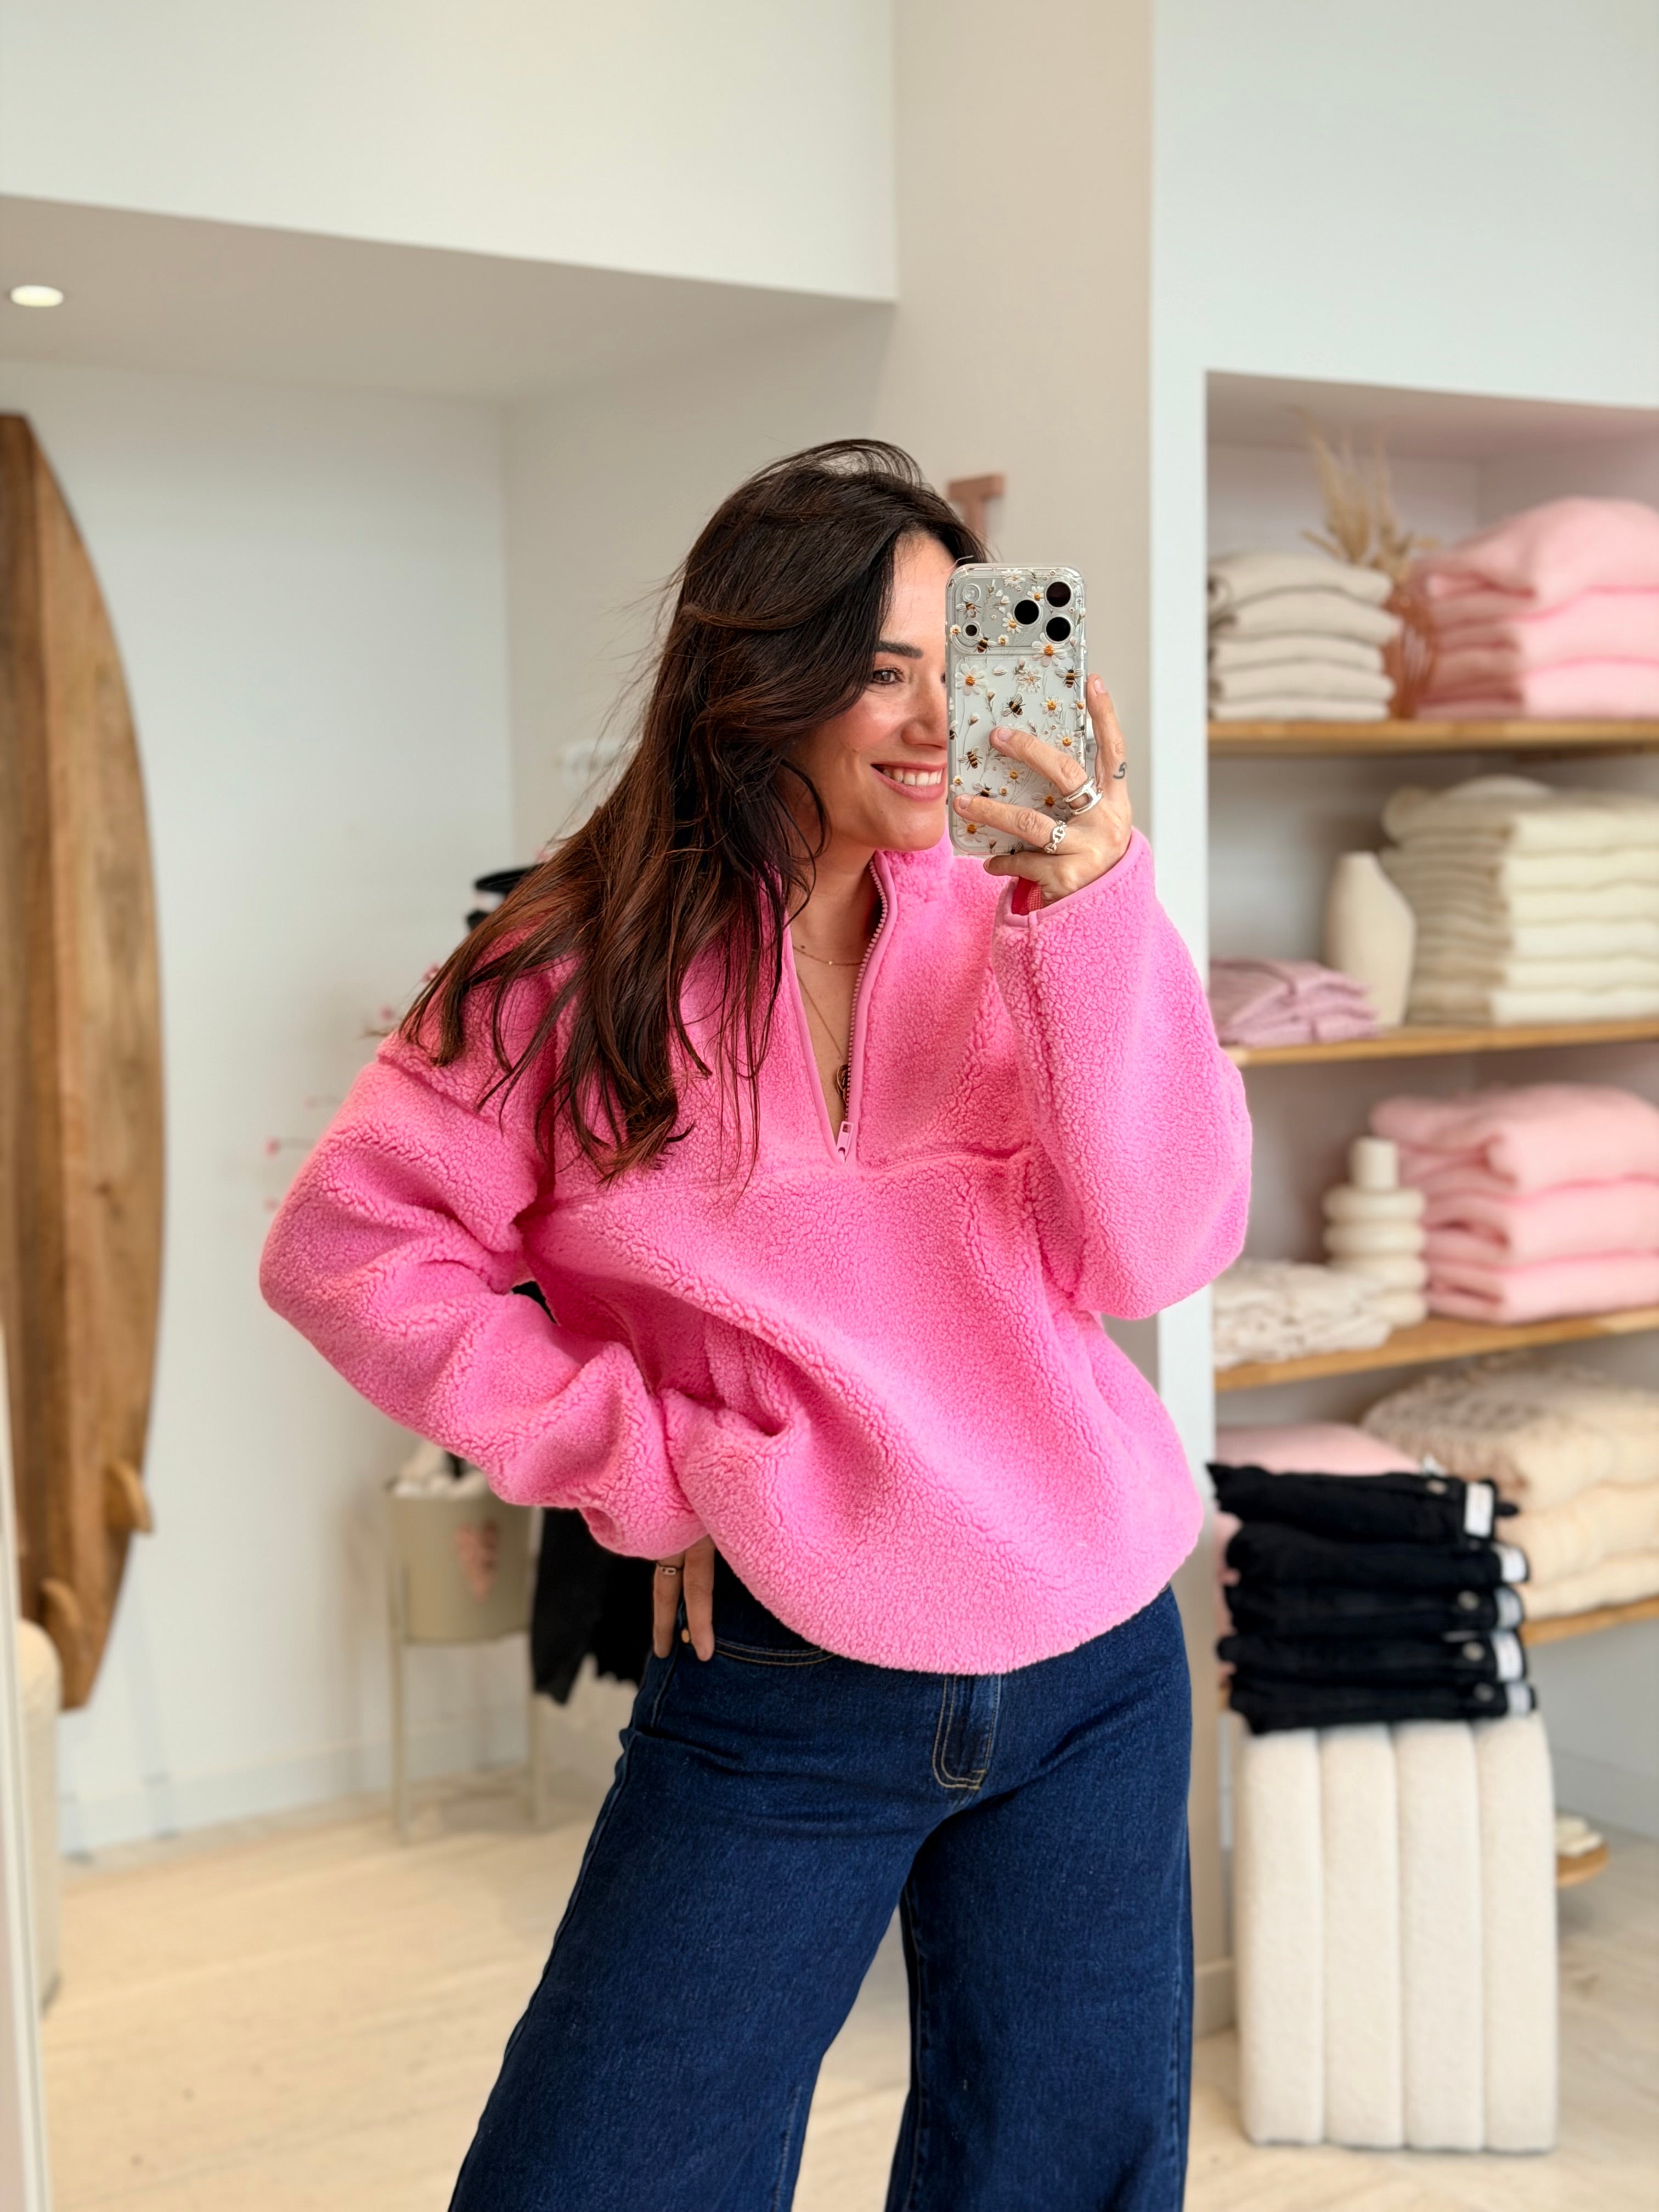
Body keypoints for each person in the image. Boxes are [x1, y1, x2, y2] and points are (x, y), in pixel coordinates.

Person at [261, 441, 1251, 2210]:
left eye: (961, 662)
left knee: (1058, 2179)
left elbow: (1159, 1251)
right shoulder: (571, 965)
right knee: (603, 2174)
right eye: (881, 671)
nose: (937, 720)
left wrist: (1099, 915)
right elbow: (351, 1252)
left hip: (1097, 1656)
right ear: (761, 679)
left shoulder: (1031, 916)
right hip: (788, 1677)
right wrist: (654, 1469)